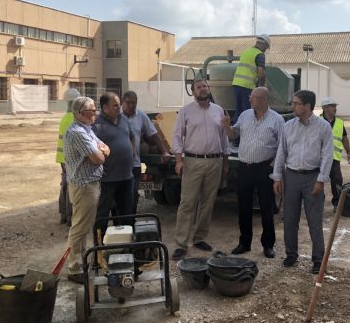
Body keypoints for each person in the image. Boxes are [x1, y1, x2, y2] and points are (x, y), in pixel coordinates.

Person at [272, 90, 333, 274]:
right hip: (291, 177)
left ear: (307, 106)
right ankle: (291, 254)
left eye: (297, 103)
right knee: (290, 218)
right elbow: (281, 152)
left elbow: (327, 155)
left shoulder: (323, 127)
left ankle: (317, 260)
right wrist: (277, 177)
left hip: (313, 178)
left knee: (314, 220)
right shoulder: (288, 126)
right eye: (294, 103)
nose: (294, 106)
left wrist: (321, 179)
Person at [171, 79, 229, 260]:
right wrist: (179, 160)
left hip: (215, 162)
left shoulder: (218, 111)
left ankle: (199, 238)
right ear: (193, 91)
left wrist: (225, 163)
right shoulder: (186, 111)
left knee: (208, 202)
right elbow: (177, 136)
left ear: (209, 89)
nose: (203, 89)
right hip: (192, 161)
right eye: (199, 87)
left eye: (205, 86)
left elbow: (224, 138)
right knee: (187, 203)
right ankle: (181, 244)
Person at [222, 87, 284, 258]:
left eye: (254, 98)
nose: (250, 100)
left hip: (264, 169)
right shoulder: (245, 115)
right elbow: (234, 135)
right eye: (250, 97)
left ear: (264, 99)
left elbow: (282, 146)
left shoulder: (277, 120)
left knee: (266, 208)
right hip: (245, 168)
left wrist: (273, 166)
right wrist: (227, 126)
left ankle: (268, 245)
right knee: (244, 207)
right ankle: (244, 243)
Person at [63, 96, 110, 283]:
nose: (95, 113)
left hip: (89, 184)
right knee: (80, 228)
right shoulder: (77, 133)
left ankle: (81, 263)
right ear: (81, 113)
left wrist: (103, 150)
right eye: (92, 111)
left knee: (83, 226)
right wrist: (102, 151)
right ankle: (74, 268)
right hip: (84, 187)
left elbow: (106, 149)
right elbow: (98, 158)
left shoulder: (86, 129)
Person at [92, 92, 135, 238]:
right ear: (105, 108)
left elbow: (132, 137)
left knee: (126, 214)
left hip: (126, 176)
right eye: (115, 105)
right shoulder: (96, 125)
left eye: (119, 104)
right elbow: (89, 150)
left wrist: (132, 154)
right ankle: (99, 250)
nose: (119, 108)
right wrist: (97, 168)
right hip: (108, 179)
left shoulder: (123, 120)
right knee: (102, 215)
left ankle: (126, 245)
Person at [121, 90, 170, 214]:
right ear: (122, 103)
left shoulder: (141, 116)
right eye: (128, 103)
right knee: (118, 196)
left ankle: (130, 220)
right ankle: (120, 222)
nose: (131, 105)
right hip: (117, 165)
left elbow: (154, 134)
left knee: (133, 194)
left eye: (134, 103)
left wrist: (164, 151)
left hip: (134, 164)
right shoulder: (115, 116)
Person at [320, 97, 350, 209]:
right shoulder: (316, 121)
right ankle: (318, 203)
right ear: (325, 108)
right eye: (332, 106)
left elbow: (344, 138)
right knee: (318, 180)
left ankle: (337, 204)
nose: (335, 108)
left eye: (335, 106)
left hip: (334, 158)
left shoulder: (339, 122)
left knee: (337, 180)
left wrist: (348, 152)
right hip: (319, 158)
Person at [231, 34, 270, 122]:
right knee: (249, 112)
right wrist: (262, 88)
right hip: (247, 87)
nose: (265, 50)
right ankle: (248, 133)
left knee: (239, 111)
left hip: (236, 85)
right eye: (266, 48)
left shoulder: (246, 52)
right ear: (264, 45)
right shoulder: (260, 55)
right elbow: (261, 73)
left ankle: (236, 134)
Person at [56, 88, 81, 225]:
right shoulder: (75, 119)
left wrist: (62, 162)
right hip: (73, 160)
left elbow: (61, 143)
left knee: (65, 186)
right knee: (73, 189)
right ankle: (71, 217)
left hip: (64, 160)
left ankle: (63, 215)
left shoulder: (64, 118)